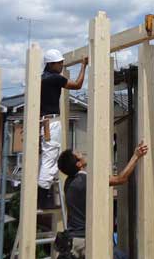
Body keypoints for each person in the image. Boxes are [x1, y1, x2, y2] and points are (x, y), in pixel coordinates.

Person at [57, 141, 149, 259]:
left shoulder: (68, 182)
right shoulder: (85, 180)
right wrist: (136, 156)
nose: (81, 153)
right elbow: (120, 179)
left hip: (74, 240)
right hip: (85, 241)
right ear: (79, 164)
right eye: (78, 154)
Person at [38, 49, 88, 208]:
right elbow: (78, 85)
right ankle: (41, 200)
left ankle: (43, 195)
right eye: (59, 63)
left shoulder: (41, 78)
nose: (61, 66)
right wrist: (84, 66)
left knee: (49, 158)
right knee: (49, 160)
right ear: (51, 64)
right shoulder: (54, 78)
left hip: (44, 122)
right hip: (50, 123)